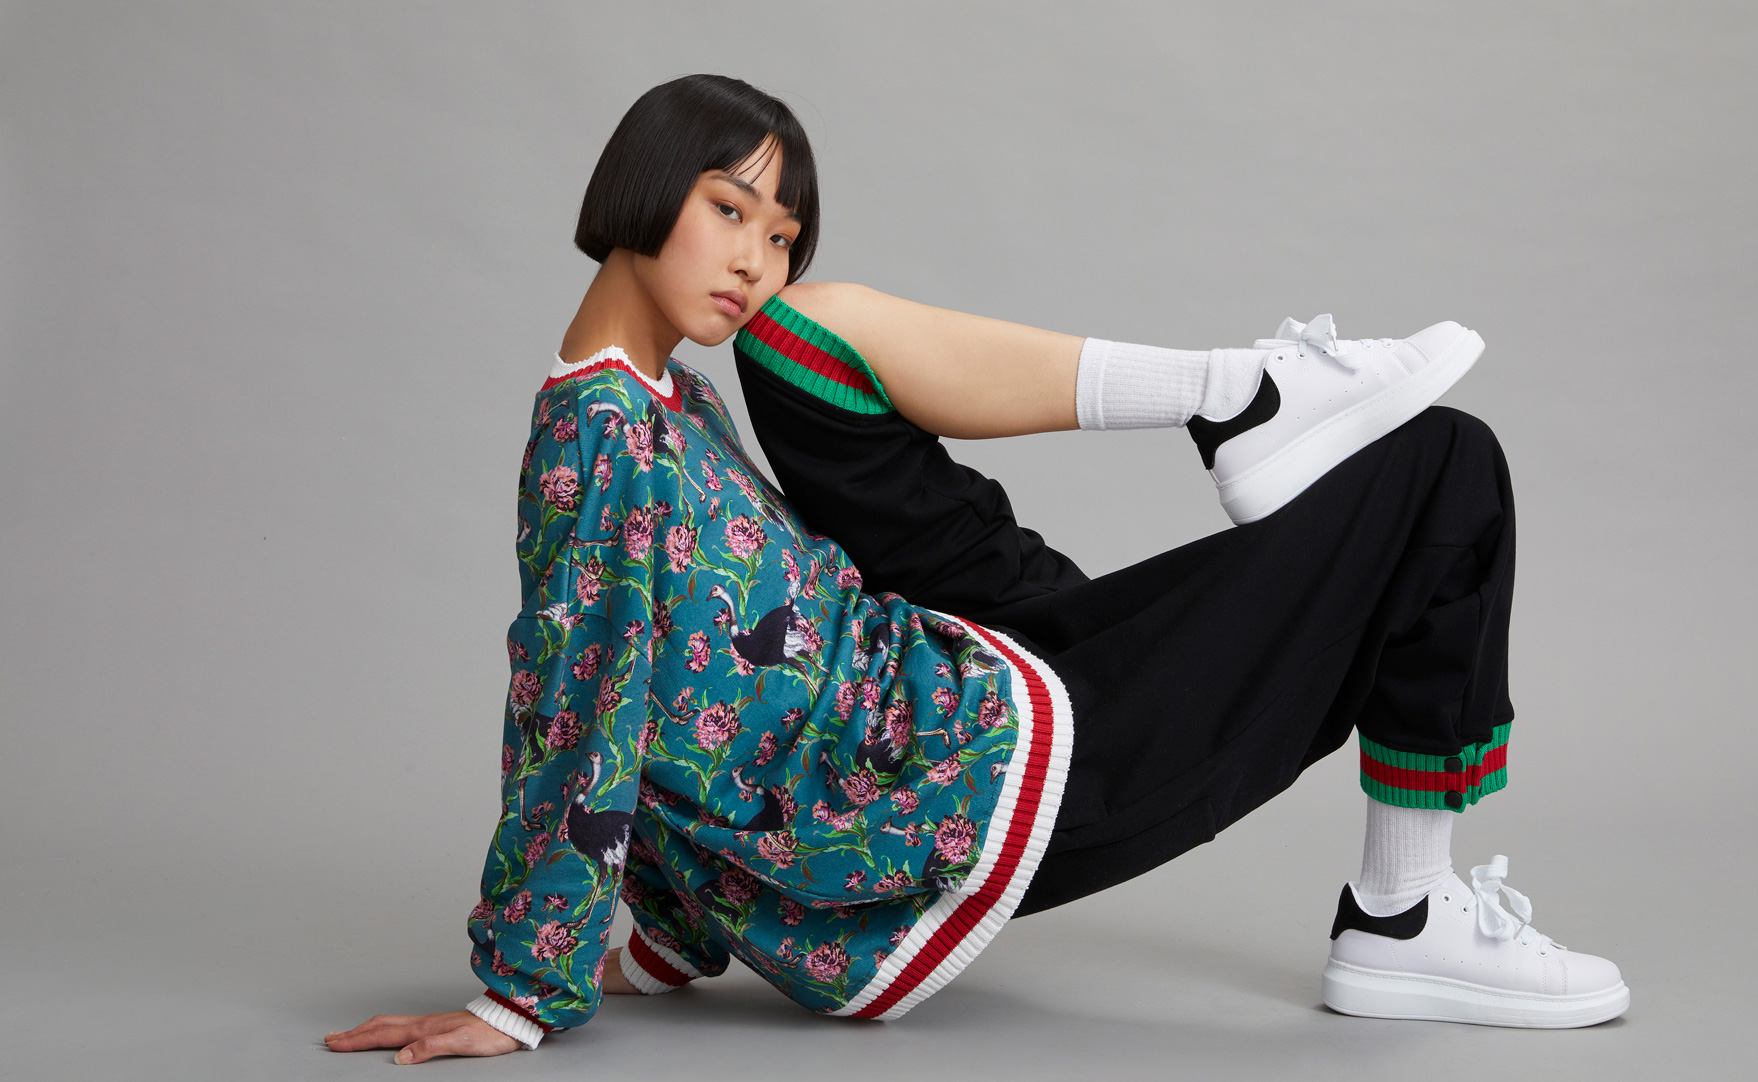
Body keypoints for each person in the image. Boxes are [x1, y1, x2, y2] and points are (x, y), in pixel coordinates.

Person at [324, 74, 1627, 1066]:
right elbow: (583, 700)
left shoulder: (664, 399)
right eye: (728, 209)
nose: (754, 259)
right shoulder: (600, 436)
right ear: (642, 188)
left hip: (959, 686)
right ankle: (1399, 913)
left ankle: (1239, 395)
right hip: (977, 777)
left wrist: (667, 939)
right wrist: (521, 987)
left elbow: (702, 687)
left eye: (780, 230)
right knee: (1445, 463)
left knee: (798, 337)